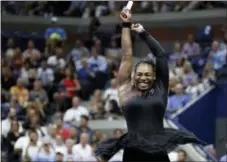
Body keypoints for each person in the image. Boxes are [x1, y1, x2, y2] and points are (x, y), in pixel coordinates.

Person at [95, 6, 205, 162]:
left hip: (157, 153)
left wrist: (143, 33)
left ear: (154, 77)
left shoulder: (160, 90)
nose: (143, 77)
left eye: (147, 74)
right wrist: (126, 25)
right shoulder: (126, 91)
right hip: (133, 153)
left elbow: (160, 55)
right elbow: (127, 55)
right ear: (133, 77)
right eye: (139, 74)